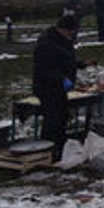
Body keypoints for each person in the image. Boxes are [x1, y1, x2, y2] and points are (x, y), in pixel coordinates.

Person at [32, 14, 88, 162]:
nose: (72, 35)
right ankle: (48, 151)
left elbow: (66, 60)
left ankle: (59, 148)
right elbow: (45, 69)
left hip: (60, 89)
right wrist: (62, 78)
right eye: (70, 31)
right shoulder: (46, 44)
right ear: (62, 29)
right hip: (47, 88)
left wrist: (80, 64)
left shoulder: (64, 41)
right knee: (52, 120)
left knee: (61, 118)